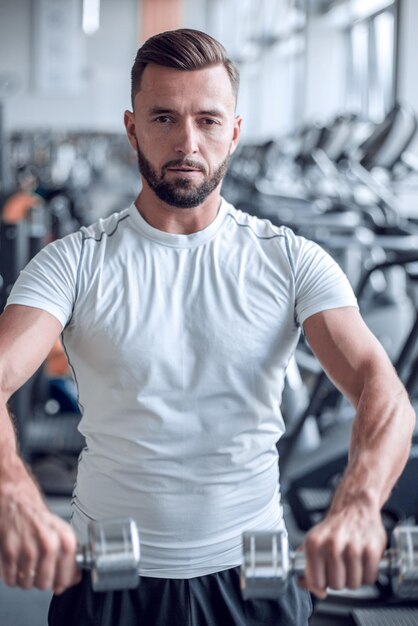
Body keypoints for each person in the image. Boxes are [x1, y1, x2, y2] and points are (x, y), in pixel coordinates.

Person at [0, 28, 415, 626]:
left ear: (235, 132)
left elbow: (385, 391)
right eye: (164, 117)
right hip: (108, 583)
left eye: (209, 121)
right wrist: (14, 493)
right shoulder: (75, 262)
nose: (187, 142)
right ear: (131, 127)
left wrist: (358, 503)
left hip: (253, 582)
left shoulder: (291, 259)